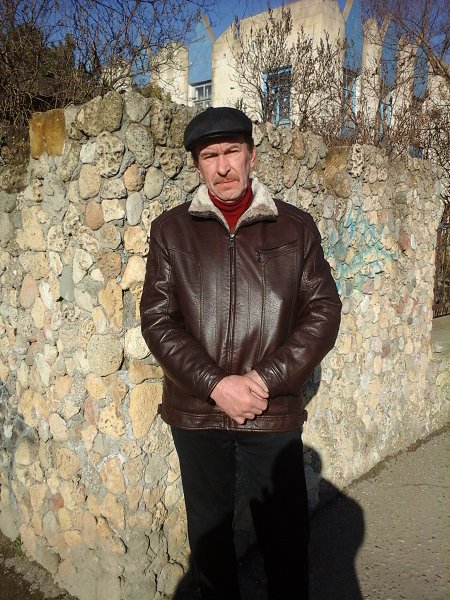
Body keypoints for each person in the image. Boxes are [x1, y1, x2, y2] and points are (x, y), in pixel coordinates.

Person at [140, 107, 342, 600]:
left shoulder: (295, 227)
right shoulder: (170, 231)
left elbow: (323, 311)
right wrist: (215, 385)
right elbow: (158, 320)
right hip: (197, 412)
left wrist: (263, 379)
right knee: (209, 541)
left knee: (286, 539)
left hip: (270, 411)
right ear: (197, 165)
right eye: (210, 156)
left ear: (252, 155)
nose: (223, 166)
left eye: (232, 151)